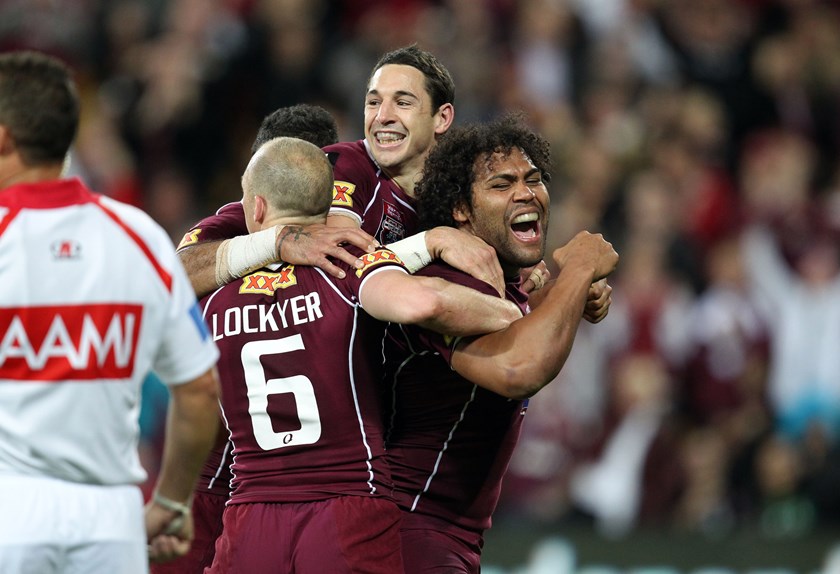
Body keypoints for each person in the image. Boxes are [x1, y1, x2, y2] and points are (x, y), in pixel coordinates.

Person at [202, 137, 521, 573]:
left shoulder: (212, 298)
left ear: (256, 209)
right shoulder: (349, 274)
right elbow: (420, 305)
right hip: (347, 505)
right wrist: (512, 310)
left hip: (250, 514)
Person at [0, 51, 221, 573]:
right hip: (112, 524)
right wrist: (170, 503)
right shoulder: (140, 236)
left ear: (4, 135)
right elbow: (198, 389)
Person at [382, 113, 619, 572]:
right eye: (501, 184)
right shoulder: (444, 284)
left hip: (437, 536)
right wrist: (578, 272)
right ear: (460, 211)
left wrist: (558, 298)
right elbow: (518, 369)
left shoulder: (504, 286)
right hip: (407, 535)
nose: (526, 193)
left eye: (534, 179)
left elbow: (513, 330)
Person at [151, 102, 344, 574]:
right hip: (221, 474)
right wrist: (273, 242)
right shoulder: (235, 226)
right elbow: (167, 278)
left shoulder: (359, 230)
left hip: (324, 484)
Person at [177, 44, 505, 300]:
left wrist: (513, 269)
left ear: (442, 118)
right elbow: (341, 265)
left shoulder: (459, 190)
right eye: (373, 102)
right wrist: (277, 241)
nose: (383, 116)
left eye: (402, 103)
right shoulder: (343, 164)